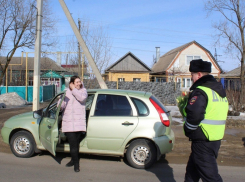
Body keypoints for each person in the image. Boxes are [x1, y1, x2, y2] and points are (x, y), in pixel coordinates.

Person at [183, 59, 228, 182]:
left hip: (203, 140)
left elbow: (194, 115)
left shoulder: (201, 91)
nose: (191, 78)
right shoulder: (217, 91)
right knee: (191, 174)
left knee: (211, 177)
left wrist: (187, 129)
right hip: (214, 138)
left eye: (192, 75)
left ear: (198, 74)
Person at [59, 75, 88, 172]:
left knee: (75, 145)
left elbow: (82, 99)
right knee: (73, 145)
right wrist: (61, 103)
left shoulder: (83, 91)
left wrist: (73, 90)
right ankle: (76, 165)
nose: (79, 83)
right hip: (69, 123)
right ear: (72, 83)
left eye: (79, 81)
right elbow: (61, 106)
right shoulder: (66, 92)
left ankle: (73, 160)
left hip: (79, 123)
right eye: (77, 82)